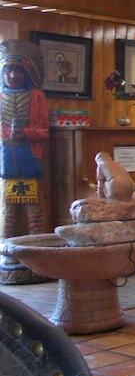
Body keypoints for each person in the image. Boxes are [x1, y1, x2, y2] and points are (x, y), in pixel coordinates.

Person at [0, 40, 51, 284]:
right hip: (6, 160)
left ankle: (37, 256)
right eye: (8, 70)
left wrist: (25, 133)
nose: (13, 75)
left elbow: (44, 131)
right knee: (8, 211)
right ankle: (7, 254)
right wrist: (8, 133)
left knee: (35, 210)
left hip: (30, 158)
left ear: (26, 72)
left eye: (18, 70)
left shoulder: (36, 96)